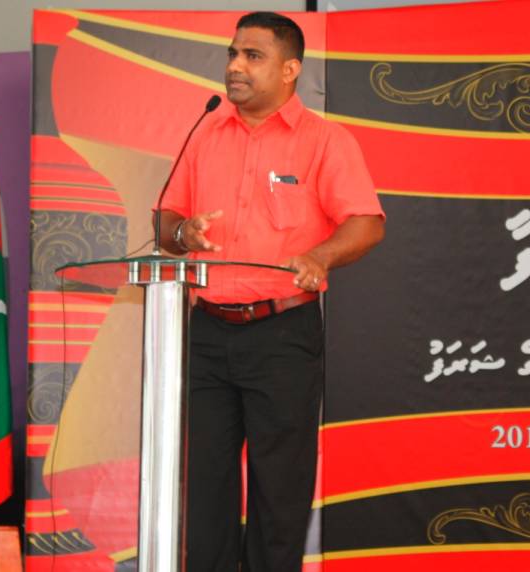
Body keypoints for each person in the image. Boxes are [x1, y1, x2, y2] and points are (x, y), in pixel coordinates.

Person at [156, 11, 385, 572]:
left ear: (290, 70)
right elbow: (165, 220)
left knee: (279, 492)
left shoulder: (324, 140)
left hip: (283, 334)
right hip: (207, 333)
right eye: (232, 54)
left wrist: (319, 256)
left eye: (252, 56)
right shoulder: (205, 133)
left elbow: (366, 223)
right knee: (203, 490)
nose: (235, 66)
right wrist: (183, 234)